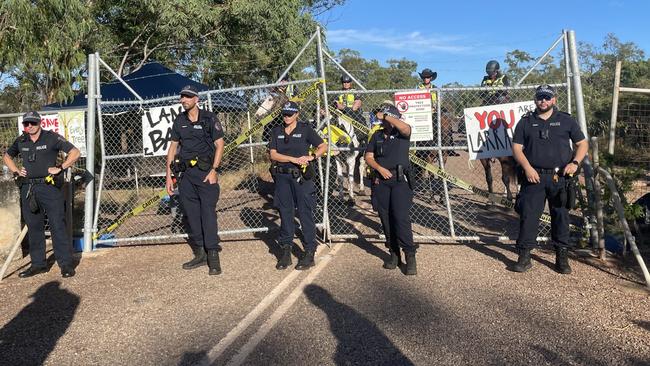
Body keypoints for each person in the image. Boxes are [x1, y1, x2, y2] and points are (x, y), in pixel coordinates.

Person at [511, 85, 588, 274]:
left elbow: (582, 144)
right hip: (533, 177)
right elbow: (516, 148)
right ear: (535, 100)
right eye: (540, 98)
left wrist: (575, 163)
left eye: (547, 97)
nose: (543, 101)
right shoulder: (526, 122)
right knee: (529, 216)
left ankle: (561, 256)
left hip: (560, 177)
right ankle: (525, 256)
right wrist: (527, 168)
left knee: (561, 216)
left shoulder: (566, 120)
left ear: (554, 100)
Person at [3, 111, 81, 278]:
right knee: (34, 227)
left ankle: (66, 264)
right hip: (28, 189)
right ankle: (38, 264)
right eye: (26, 124)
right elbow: (7, 157)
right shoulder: (21, 140)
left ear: (40, 123)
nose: (29, 126)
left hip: (49, 187)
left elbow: (75, 152)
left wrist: (60, 167)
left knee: (57, 226)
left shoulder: (52, 137)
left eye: (33, 123)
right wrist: (16, 171)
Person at [166, 85, 225, 275]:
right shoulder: (179, 120)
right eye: (182, 97)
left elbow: (220, 144)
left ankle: (213, 254)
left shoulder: (209, 118)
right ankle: (200, 252)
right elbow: (173, 148)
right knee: (192, 214)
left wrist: (214, 170)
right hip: (186, 176)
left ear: (196, 99)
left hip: (205, 173)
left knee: (208, 213)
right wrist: (169, 176)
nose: (184, 100)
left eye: (188, 97)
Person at [269, 101, 327, 270]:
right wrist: (292, 159)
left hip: (300, 178)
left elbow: (323, 146)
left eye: (290, 114)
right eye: (284, 114)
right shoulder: (276, 131)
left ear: (297, 114)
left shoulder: (305, 129)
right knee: (285, 214)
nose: (286, 117)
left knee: (304, 213)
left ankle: (309, 251)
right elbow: (273, 154)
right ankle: (285, 252)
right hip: (282, 178)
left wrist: (313, 157)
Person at [365, 104, 418, 275]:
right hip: (381, 181)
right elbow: (369, 156)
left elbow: (405, 127)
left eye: (388, 117)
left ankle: (410, 255)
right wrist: (379, 169)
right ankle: (393, 253)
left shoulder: (402, 133)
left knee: (401, 218)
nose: (384, 120)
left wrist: (386, 115)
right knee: (385, 218)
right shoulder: (377, 135)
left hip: (400, 181)